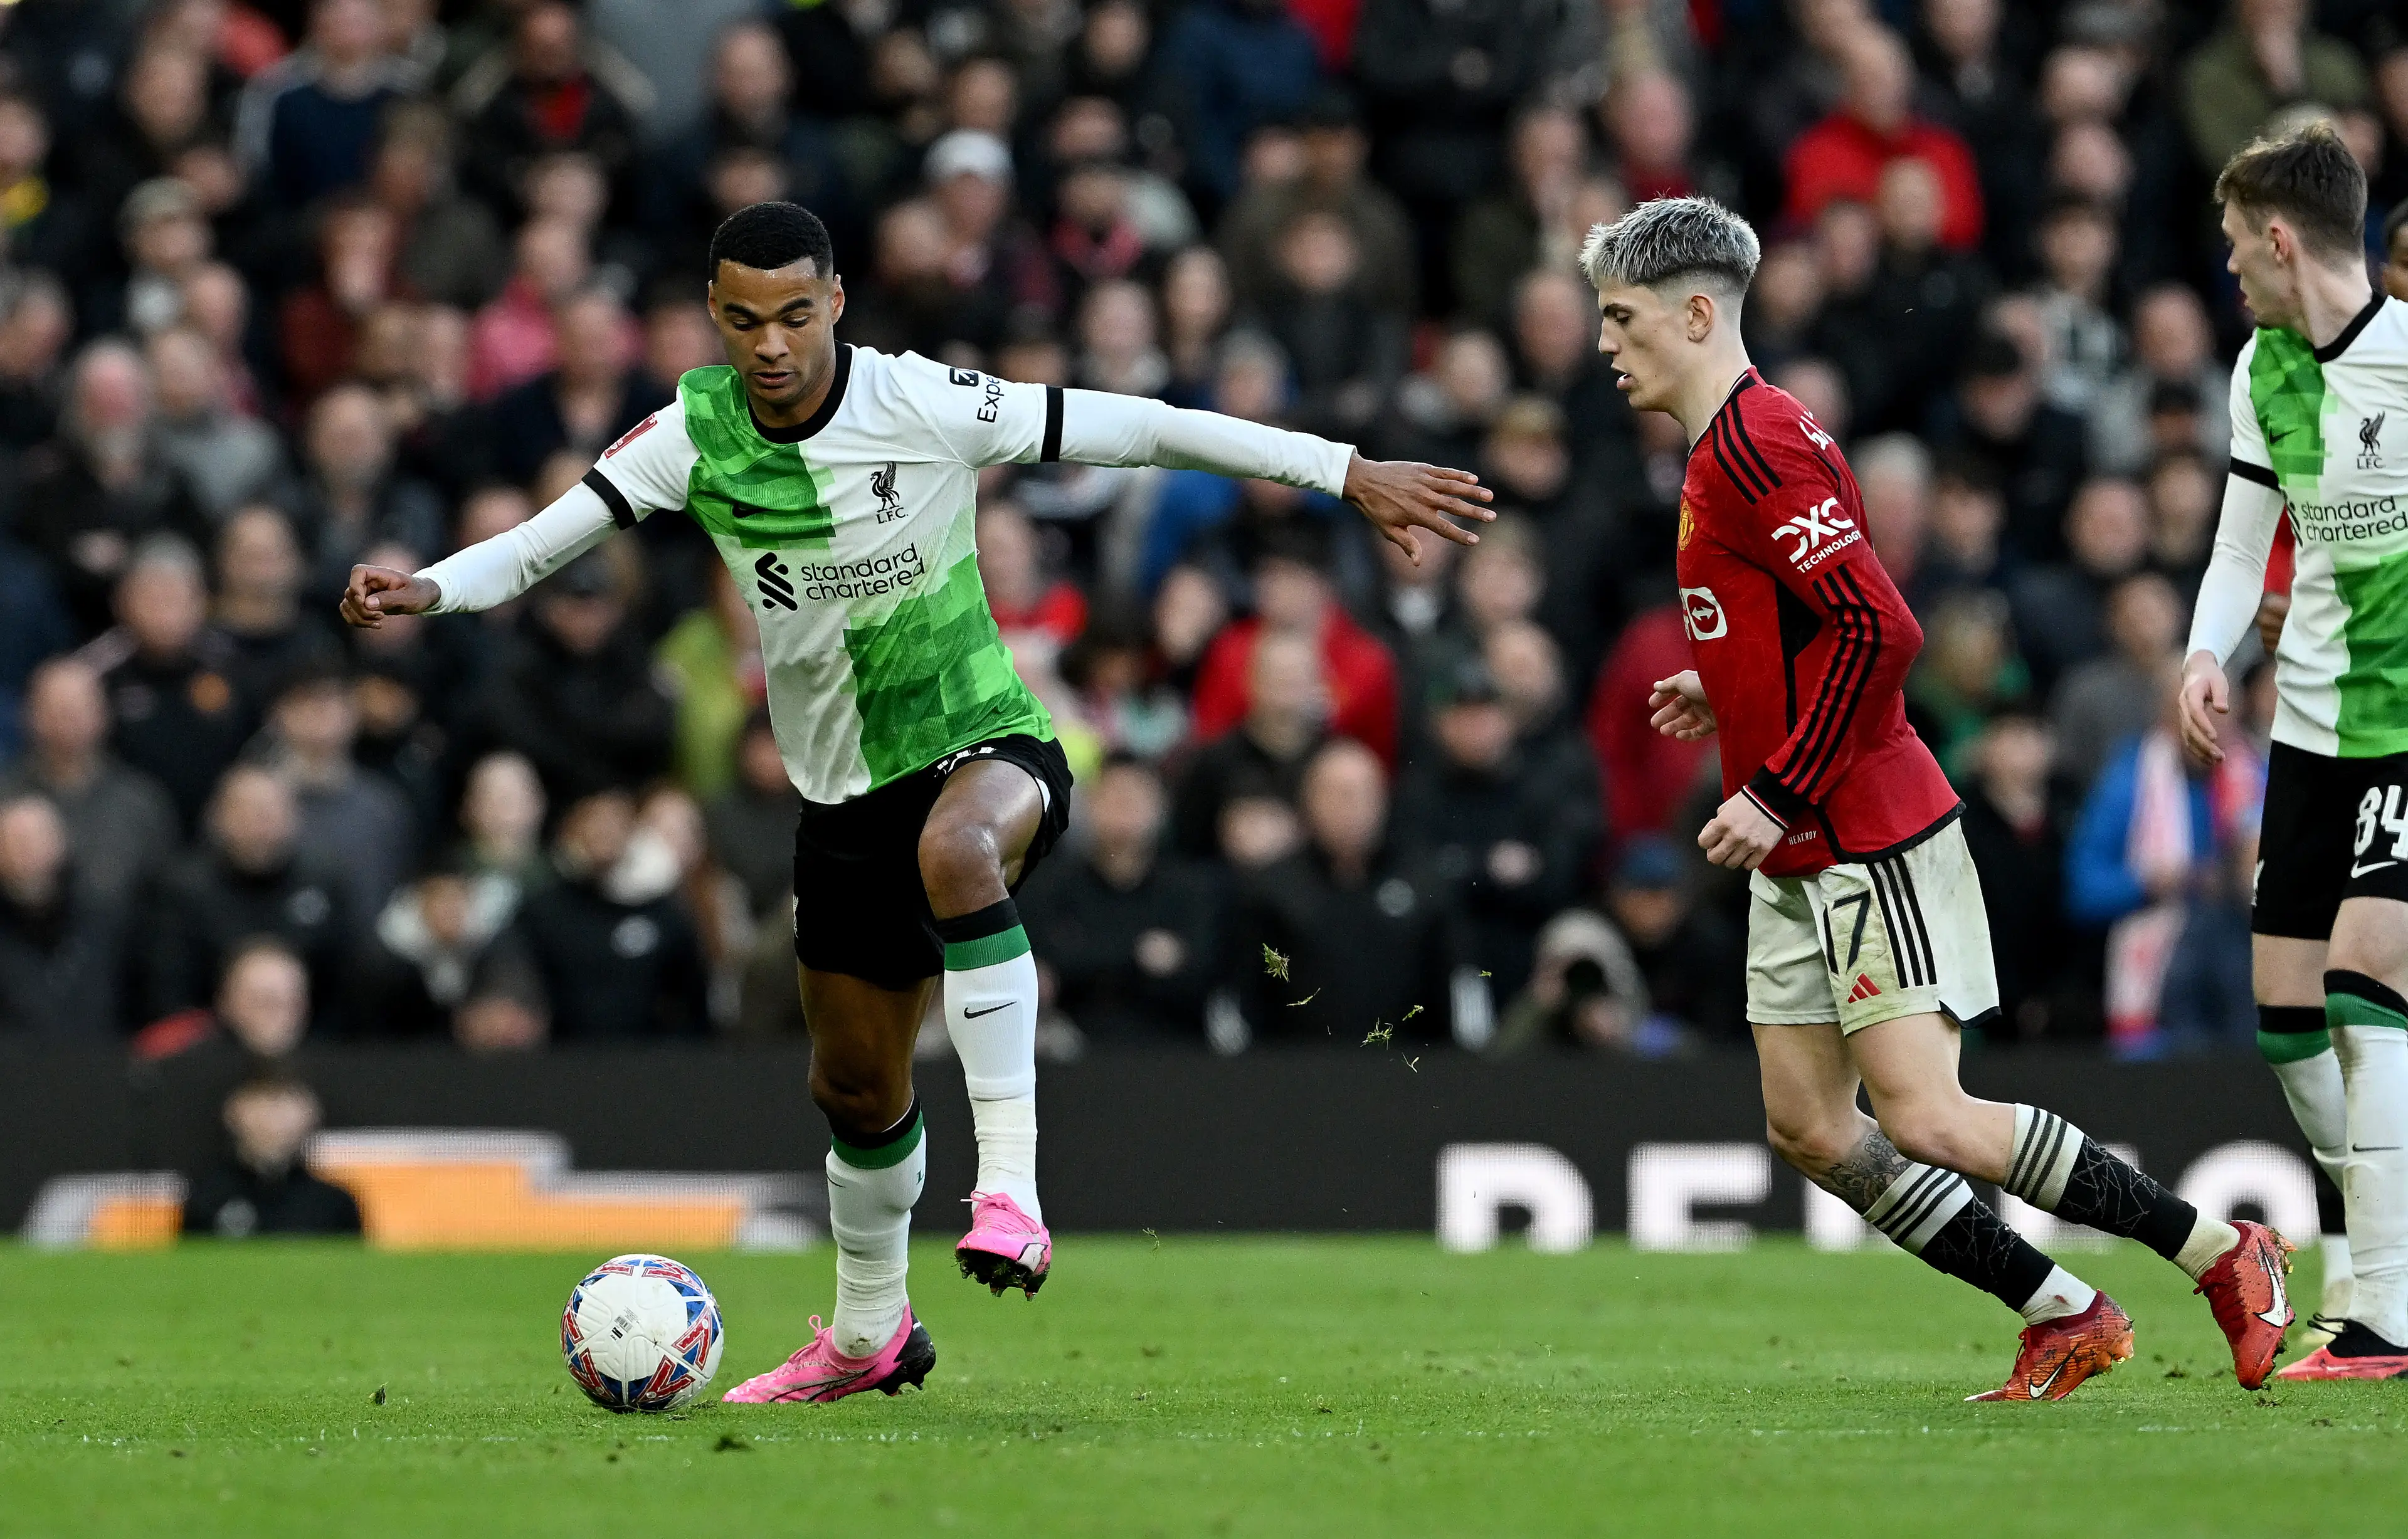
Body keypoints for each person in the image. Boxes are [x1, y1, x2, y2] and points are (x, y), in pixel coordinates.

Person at [339, 201, 1490, 1404]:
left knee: (959, 852)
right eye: (744, 320)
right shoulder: (692, 432)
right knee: (854, 1089)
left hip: (985, 743)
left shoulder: (925, 401)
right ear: (716, 318)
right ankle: (867, 1335)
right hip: (841, 800)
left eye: (795, 314)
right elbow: (540, 543)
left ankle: (1012, 1192)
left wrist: (1342, 468)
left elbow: (1142, 427)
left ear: (835, 302)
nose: (771, 343)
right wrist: (429, 586)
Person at [1588, 194, 2288, 1403]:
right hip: (1799, 842)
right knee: (1810, 1126)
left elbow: (1886, 628)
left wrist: (1776, 780)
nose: (1605, 341)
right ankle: (2064, 1309)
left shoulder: (1760, 444)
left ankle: (2225, 1252)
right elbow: (1820, 624)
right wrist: (1739, 685)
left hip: (1863, 826)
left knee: (1932, 1118)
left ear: (1697, 314)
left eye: (1621, 315)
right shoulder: (1722, 447)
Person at [2175, 123, 2408, 1378]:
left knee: (2371, 983)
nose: (2229, 270)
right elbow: (2235, 546)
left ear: (2279, 238)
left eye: (2233, 246)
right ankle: (2367, 1257)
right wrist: (2209, 654)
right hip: (2309, 729)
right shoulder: (2261, 369)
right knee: (2288, 1027)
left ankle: (2388, 1311)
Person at [180, 1072, 364, 1238]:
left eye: (284, 1103)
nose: (273, 1118)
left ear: (311, 1113)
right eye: (261, 1101)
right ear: (232, 1111)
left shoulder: (334, 1205)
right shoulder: (207, 1198)